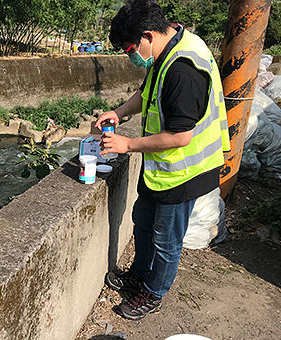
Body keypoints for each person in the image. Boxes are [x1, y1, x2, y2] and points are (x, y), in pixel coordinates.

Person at [95, 0, 230, 320]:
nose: (131, 56)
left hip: (185, 169)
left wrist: (127, 144)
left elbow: (181, 136)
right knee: (143, 222)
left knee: (167, 240)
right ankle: (139, 275)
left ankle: (153, 294)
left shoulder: (184, 70)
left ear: (147, 35)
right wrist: (118, 112)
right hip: (162, 166)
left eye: (130, 48)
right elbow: (147, 94)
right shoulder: (167, 47)